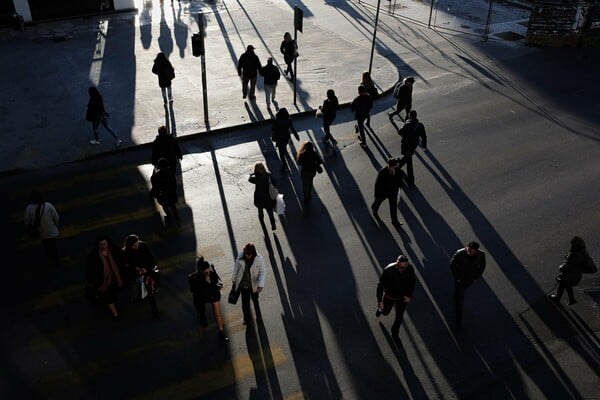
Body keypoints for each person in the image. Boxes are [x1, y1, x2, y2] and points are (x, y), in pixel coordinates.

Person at [376, 255, 416, 342]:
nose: (402, 269)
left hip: (402, 298)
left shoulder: (410, 269)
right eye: (400, 267)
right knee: (386, 312)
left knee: (399, 317)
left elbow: (412, 283)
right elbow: (380, 286)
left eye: (404, 267)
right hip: (389, 297)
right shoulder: (388, 270)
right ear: (396, 263)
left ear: (407, 264)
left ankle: (395, 333)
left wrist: (409, 295)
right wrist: (380, 301)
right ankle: (380, 309)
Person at [189, 256, 229, 342]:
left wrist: (218, 284)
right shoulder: (193, 278)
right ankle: (202, 333)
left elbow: (216, 282)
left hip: (212, 294)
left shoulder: (211, 271)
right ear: (200, 271)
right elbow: (194, 291)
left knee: (217, 314)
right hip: (200, 297)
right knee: (202, 316)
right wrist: (205, 282)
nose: (208, 273)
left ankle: (221, 332)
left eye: (209, 270)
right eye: (206, 272)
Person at [86, 235, 125, 319]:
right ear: (98, 245)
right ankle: (115, 314)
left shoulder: (114, 250)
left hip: (116, 278)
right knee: (108, 297)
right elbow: (91, 271)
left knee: (113, 294)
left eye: (104, 244)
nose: (103, 246)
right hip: (103, 282)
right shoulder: (93, 257)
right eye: (101, 244)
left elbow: (121, 260)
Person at [450, 241, 486, 330]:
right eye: (468, 250)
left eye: (472, 251)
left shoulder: (481, 255)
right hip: (460, 280)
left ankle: (457, 295)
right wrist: (456, 277)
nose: (469, 252)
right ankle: (458, 322)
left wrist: (476, 277)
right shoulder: (460, 253)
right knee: (459, 302)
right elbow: (452, 264)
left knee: (460, 293)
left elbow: (482, 266)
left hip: (470, 280)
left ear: (476, 251)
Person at [122, 234, 160, 318]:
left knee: (151, 291)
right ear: (130, 246)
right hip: (136, 274)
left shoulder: (143, 246)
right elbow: (127, 266)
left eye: (137, 243)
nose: (137, 246)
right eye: (134, 245)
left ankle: (154, 311)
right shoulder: (126, 252)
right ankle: (138, 299)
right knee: (136, 289)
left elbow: (151, 259)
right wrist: (136, 270)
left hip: (147, 272)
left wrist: (146, 269)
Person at [549, 236, 592, 306]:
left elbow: (570, 265)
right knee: (564, 284)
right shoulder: (582, 252)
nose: (571, 245)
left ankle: (560, 298)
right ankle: (569, 299)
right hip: (575, 275)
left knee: (563, 283)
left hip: (571, 275)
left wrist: (561, 267)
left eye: (572, 244)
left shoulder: (576, 255)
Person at [232, 243, 267, 326]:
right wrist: (234, 279)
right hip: (244, 285)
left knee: (255, 299)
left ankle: (258, 314)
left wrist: (260, 285)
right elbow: (236, 268)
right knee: (245, 303)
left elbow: (263, 272)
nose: (246, 256)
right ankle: (246, 319)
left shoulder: (259, 259)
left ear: (253, 253)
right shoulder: (240, 256)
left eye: (248, 254)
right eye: (246, 253)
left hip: (254, 284)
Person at [24, 190, 60, 268]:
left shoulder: (29, 208)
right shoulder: (48, 205)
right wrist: (55, 226)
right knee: (54, 246)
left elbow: (27, 222)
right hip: (52, 232)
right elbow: (56, 218)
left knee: (46, 246)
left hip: (42, 233)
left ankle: (50, 260)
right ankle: (56, 261)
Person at [396, 110, 427, 187]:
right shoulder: (420, 125)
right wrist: (424, 146)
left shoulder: (407, 124)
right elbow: (424, 136)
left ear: (410, 116)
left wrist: (404, 125)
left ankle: (410, 179)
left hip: (406, 144)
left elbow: (399, 132)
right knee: (408, 158)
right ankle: (399, 166)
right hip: (413, 145)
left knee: (409, 161)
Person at [371, 158, 403, 227]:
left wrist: (399, 188)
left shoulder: (397, 170)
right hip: (383, 192)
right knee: (378, 201)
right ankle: (374, 209)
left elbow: (400, 180)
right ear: (390, 166)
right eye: (393, 167)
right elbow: (377, 184)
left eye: (395, 167)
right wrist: (377, 194)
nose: (394, 168)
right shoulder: (382, 172)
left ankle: (395, 221)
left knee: (393, 207)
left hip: (393, 192)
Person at [151, 158, 180, 225]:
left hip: (162, 195)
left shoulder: (158, 175)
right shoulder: (171, 173)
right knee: (172, 205)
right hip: (171, 193)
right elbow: (174, 183)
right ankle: (176, 216)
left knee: (165, 206)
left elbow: (155, 185)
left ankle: (169, 216)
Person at [249, 162, 277, 230]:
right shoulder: (268, 175)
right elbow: (275, 184)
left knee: (260, 210)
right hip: (268, 198)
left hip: (259, 197)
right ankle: (273, 224)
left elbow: (249, 179)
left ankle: (261, 220)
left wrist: (252, 174)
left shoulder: (256, 178)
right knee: (270, 212)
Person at [296, 141, 323, 209]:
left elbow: (299, 162)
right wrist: (315, 163)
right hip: (312, 171)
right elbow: (320, 161)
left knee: (305, 185)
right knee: (310, 182)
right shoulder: (314, 153)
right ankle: (309, 193)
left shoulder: (302, 154)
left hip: (305, 172)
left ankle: (306, 198)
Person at [271, 107, 294, 172]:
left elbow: (273, 129)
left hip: (279, 138)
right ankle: (285, 152)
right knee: (284, 146)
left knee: (281, 153)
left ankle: (284, 164)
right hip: (286, 137)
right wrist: (296, 135)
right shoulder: (289, 120)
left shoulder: (276, 121)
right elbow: (292, 128)